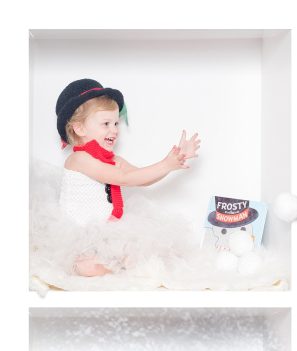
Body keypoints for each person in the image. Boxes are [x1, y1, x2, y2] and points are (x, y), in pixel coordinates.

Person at [55, 78, 200, 276]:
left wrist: (171, 163)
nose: (114, 130)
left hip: (106, 231)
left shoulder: (112, 158)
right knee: (85, 265)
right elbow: (123, 178)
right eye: (106, 123)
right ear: (79, 128)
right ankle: (112, 267)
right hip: (81, 235)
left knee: (139, 250)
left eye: (116, 123)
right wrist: (165, 164)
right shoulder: (79, 159)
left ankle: (125, 265)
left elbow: (140, 178)